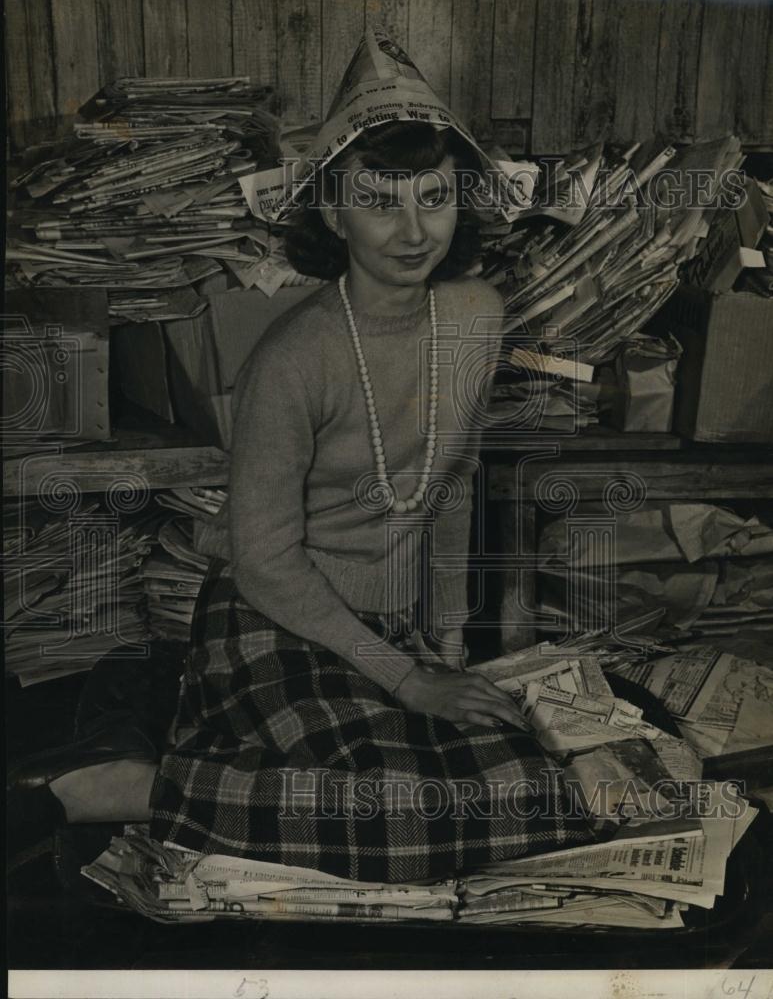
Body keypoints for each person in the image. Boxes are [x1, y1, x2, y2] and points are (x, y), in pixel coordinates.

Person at [10, 121, 601, 882]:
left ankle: (199, 774)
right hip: (274, 613)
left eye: (434, 197)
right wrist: (409, 680)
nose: (414, 230)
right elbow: (263, 564)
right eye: (379, 202)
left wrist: (449, 650)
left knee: (537, 798)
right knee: (399, 811)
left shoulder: (474, 314)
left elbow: (451, 482)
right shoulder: (291, 357)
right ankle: (136, 786)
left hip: (395, 617)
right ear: (332, 215)